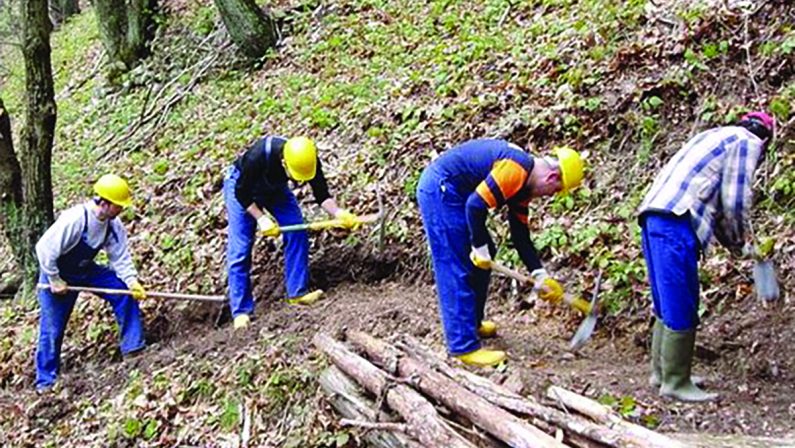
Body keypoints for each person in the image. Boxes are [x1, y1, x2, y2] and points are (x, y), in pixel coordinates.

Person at [638, 111, 775, 402]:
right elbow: (735, 201)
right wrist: (739, 243)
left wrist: (733, 244)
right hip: (677, 220)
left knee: (666, 296)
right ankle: (675, 382)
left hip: (653, 213)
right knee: (682, 298)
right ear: (765, 139)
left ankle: (661, 372)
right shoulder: (747, 142)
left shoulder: (713, 135)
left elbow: (717, 202)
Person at [416, 138, 585, 367]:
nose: (549, 196)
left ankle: (472, 322)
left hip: (460, 194)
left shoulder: (523, 188)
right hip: (442, 190)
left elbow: (520, 235)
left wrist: (540, 275)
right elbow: (475, 206)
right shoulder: (515, 169)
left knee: (484, 255)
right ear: (552, 177)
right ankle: (463, 347)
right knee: (456, 262)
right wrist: (479, 248)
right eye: (554, 191)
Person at [223, 135, 358, 329]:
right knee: (241, 247)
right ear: (284, 163)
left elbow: (321, 194)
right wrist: (261, 218)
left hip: (275, 189)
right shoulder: (259, 156)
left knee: (297, 229)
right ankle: (241, 311)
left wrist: (339, 213)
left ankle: (298, 293)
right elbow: (241, 193)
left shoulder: (308, 159)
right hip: (241, 188)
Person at [35, 174, 146, 391]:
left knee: (123, 293)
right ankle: (45, 381)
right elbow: (44, 250)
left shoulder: (113, 225)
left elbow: (120, 256)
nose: (121, 210)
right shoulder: (75, 219)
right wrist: (55, 279)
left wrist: (132, 282)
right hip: (56, 274)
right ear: (104, 202)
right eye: (118, 206)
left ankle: (133, 347)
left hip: (86, 270)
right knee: (52, 329)